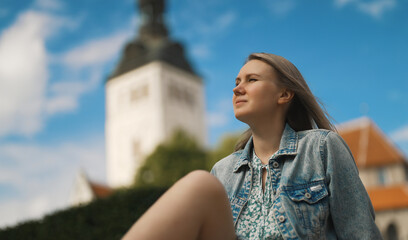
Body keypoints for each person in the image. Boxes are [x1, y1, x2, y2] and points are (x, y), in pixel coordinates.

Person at [122, 53, 383, 240]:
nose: (237, 89)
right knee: (200, 185)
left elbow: (361, 233)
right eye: (237, 82)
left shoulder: (322, 148)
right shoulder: (222, 172)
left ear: (284, 94)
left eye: (251, 80)